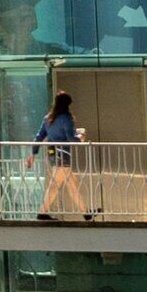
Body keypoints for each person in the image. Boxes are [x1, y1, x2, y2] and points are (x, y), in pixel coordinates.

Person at [35, 92, 90, 220]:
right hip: (63, 154)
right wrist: (81, 138)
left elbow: (39, 136)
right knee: (55, 186)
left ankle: (86, 212)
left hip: (53, 153)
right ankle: (42, 212)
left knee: (71, 185)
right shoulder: (66, 119)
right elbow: (71, 138)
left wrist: (34, 152)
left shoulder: (48, 119)